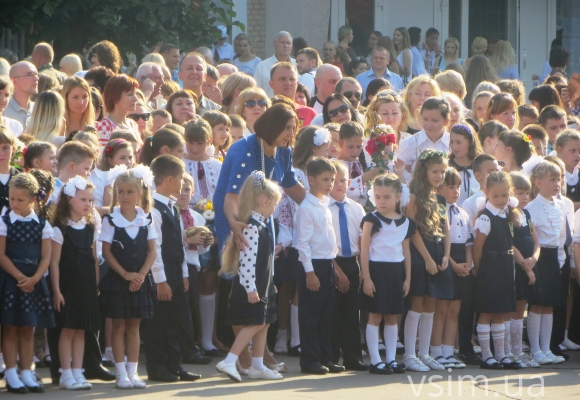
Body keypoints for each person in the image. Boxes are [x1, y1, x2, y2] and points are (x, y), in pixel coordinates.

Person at [215, 171, 283, 382]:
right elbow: (247, 263)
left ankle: (257, 365)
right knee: (253, 323)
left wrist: (269, 283)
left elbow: (265, 260)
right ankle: (229, 360)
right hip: (252, 287)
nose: (274, 209)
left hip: (263, 284)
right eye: (274, 204)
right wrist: (250, 287)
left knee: (264, 323)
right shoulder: (252, 228)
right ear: (265, 201)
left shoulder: (261, 225)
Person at [144, 155, 205, 382]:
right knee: (159, 322)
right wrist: (160, 280)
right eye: (180, 179)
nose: (182, 185)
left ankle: (174, 363)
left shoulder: (172, 207)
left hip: (177, 273)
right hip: (162, 275)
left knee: (176, 320)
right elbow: (155, 247)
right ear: (169, 179)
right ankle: (157, 366)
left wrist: (185, 274)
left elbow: (179, 242)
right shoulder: (154, 209)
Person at [98, 168, 157, 389]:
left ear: (139, 194)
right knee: (118, 326)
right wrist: (125, 274)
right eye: (120, 191)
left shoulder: (146, 219)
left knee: (134, 327)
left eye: (129, 191)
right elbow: (107, 252)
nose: (124, 196)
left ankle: (133, 373)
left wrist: (141, 274)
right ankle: (120, 373)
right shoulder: (110, 220)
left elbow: (152, 251)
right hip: (118, 282)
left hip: (140, 281)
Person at [0, 173, 55, 393]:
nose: (14, 203)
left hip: (32, 281)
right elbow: (1, 255)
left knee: (28, 329)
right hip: (11, 281)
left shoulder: (42, 224)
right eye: (11, 199)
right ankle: (11, 373)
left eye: (20, 200)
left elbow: (46, 257)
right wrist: (19, 277)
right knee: (10, 328)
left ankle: (26, 372)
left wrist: (34, 278)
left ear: (33, 199)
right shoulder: (4, 221)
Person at [50, 176, 99, 390]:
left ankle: (79, 372)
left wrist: (95, 286)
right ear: (70, 199)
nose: (88, 204)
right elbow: (54, 263)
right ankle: (65, 373)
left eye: (90, 200)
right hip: (67, 286)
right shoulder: (60, 229)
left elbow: (95, 259)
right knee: (67, 329)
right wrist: (57, 291)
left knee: (81, 330)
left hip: (86, 287)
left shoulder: (90, 228)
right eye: (83, 199)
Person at [292, 157, 340, 375]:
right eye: (325, 179)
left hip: (327, 264)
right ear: (311, 180)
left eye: (332, 179)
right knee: (311, 315)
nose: (330, 184)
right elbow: (302, 244)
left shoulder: (325, 205)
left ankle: (325, 357)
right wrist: (309, 272)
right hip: (312, 266)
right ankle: (309, 360)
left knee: (326, 315)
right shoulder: (307, 208)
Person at [360, 173, 412, 374]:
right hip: (376, 270)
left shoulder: (405, 222)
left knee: (392, 317)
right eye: (378, 196)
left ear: (398, 196)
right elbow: (364, 249)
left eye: (387, 197)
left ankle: (390, 359)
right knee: (374, 316)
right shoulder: (371, 219)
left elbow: (405, 251)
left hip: (395, 272)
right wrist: (366, 277)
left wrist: (407, 278)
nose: (381, 201)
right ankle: (375, 360)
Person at [403, 149, 450, 372]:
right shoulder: (413, 197)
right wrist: (428, 259)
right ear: (424, 171)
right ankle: (410, 355)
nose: (440, 176)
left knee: (431, 305)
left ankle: (425, 353)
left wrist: (446, 255)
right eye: (435, 171)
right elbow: (412, 231)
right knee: (418, 304)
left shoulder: (440, 199)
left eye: (443, 172)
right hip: (421, 255)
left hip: (438, 252)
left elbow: (445, 229)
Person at [472, 171, 521, 369]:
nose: (501, 200)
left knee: (501, 312)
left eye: (504, 195)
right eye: (496, 196)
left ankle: (501, 355)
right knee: (487, 311)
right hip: (489, 267)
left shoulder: (506, 215)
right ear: (486, 193)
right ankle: (486, 355)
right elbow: (477, 248)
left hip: (505, 266)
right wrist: (478, 269)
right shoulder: (485, 218)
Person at [325, 160, 367, 371]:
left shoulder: (356, 208)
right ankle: (331, 356)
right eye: (335, 181)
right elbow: (323, 243)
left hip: (352, 262)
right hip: (332, 261)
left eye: (343, 180)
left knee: (352, 312)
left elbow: (361, 239)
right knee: (333, 311)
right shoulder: (323, 207)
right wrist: (337, 270)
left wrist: (361, 268)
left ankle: (353, 356)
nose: (339, 185)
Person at [525, 161, 568, 365]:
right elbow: (532, 238)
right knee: (537, 305)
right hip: (538, 257)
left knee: (549, 305)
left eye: (558, 178)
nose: (557, 183)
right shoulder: (531, 208)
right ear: (538, 182)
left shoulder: (560, 206)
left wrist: (560, 260)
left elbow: (560, 236)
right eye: (552, 179)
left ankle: (546, 348)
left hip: (553, 258)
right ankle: (535, 350)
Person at [431, 167, 471, 369]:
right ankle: (436, 352)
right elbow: (442, 243)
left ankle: (448, 352)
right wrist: (453, 265)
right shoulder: (438, 211)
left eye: (458, 187)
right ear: (438, 189)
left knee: (455, 310)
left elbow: (468, 243)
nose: (455, 191)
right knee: (442, 309)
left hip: (462, 260)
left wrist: (468, 264)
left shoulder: (463, 213)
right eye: (450, 187)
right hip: (446, 261)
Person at [509, 171, 542, 368]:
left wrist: (534, 259)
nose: (524, 197)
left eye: (526, 193)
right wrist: (525, 265)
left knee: (521, 309)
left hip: (529, 265)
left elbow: (537, 242)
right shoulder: (509, 216)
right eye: (519, 193)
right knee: (513, 309)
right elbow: (510, 244)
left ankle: (518, 350)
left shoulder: (527, 214)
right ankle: (513, 351)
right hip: (516, 268)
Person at [399, 96, 450, 174]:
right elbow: (403, 174)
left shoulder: (453, 143)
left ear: (446, 121)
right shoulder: (409, 143)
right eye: (425, 119)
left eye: (434, 120)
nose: (429, 125)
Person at [95, 75, 140, 147]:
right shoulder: (104, 126)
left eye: (135, 94)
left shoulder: (133, 124)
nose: (136, 99)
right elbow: (103, 156)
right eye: (130, 94)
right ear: (115, 96)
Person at [448, 123, 482, 205]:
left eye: (458, 142)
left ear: (470, 142)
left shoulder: (481, 164)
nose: (454, 147)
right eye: (452, 142)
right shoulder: (447, 166)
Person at [254, 32, 295, 98]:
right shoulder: (262, 66)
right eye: (282, 42)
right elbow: (256, 92)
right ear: (274, 45)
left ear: (292, 47)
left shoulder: (297, 65)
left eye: (288, 43)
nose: (286, 46)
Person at [5, 61, 39, 129]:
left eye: (37, 75)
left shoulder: (39, 109)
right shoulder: (3, 110)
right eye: (29, 75)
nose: (36, 78)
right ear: (14, 81)